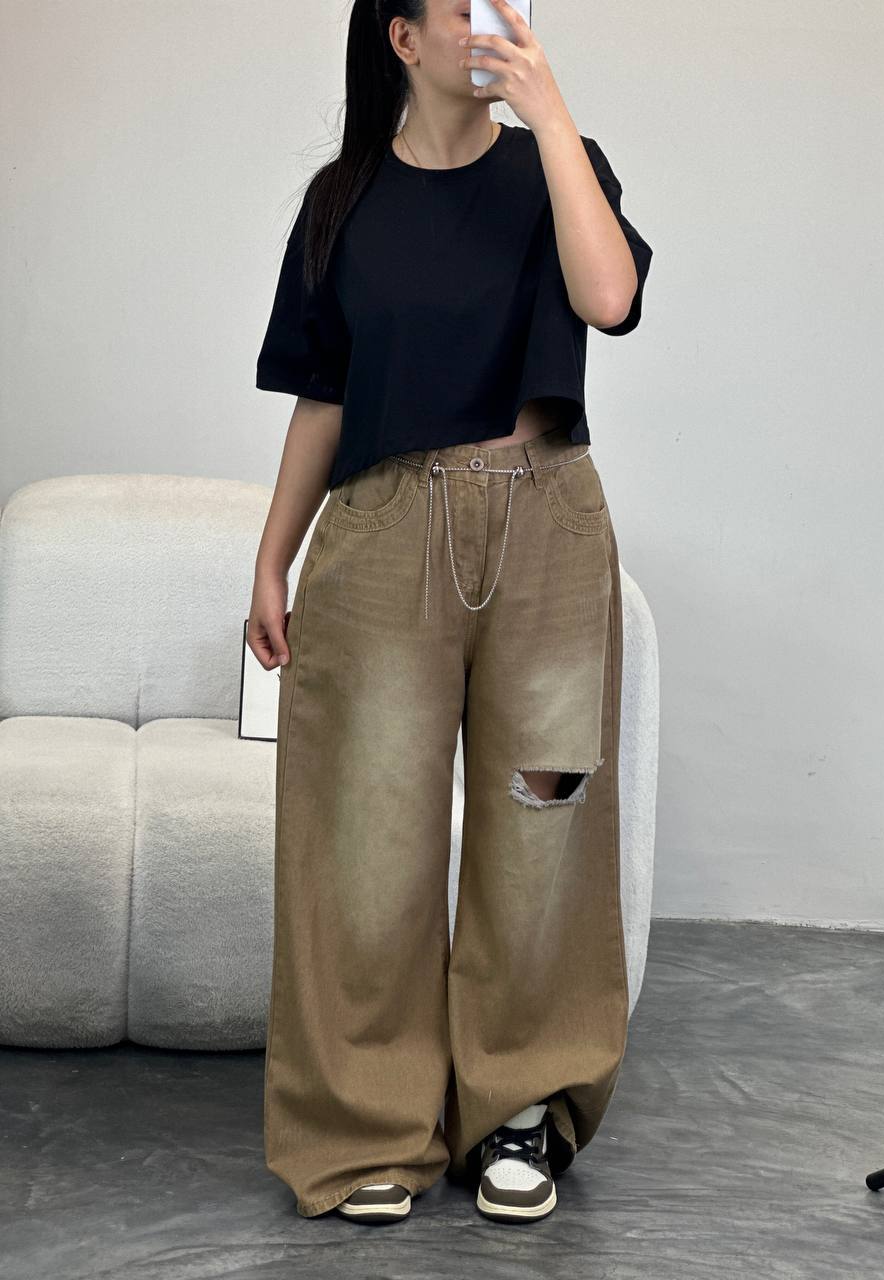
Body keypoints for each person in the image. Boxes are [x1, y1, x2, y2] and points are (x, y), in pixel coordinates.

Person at [247, 0, 653, 1226]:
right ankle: (367, 1119)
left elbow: (610, 296)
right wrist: (271, 558)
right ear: (404, 40)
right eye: (462, 7)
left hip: (546, 524)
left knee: (543, 826)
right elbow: (325, 394)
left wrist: (552, 112)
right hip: (383, 531)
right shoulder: (342, 204)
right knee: (364, 837)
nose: (492, 22)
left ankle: (521, 1106)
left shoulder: (556, 166)